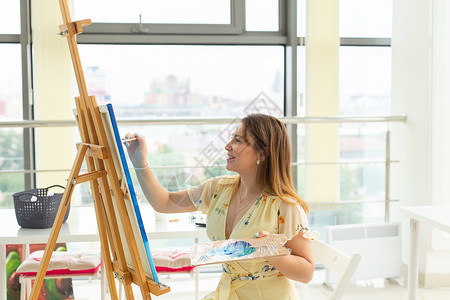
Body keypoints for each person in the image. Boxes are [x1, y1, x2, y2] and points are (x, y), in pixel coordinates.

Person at [124, 113, 314, 300]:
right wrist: (139, 163)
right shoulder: (218, 188)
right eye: (231, 138)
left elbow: (307, 273)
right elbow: (165, 203)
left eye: (238, 140)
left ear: (262, 153)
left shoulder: (286, 206)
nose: (227, 146)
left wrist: (271, 251)